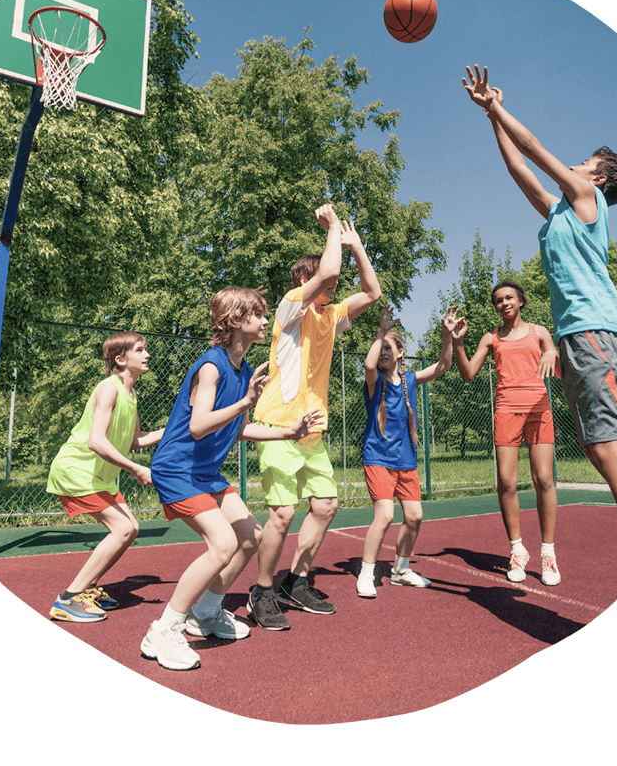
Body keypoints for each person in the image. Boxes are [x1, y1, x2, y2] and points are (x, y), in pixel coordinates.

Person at [461, 65, 617, 567]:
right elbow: (519, 169)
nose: (571, 166)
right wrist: (491, 118)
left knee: (610, 449)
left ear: (597, 178)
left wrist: (497, 106)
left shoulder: (587, 197)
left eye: (581, 162)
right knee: (602, 451)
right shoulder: (560, 211)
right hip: (581, 335)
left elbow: (532, 147)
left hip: (595, 331)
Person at [141, 287, 324, 670]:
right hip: (178, 469)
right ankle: (163, 630)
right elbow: (198, 426)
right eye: (257, 314)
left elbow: (239, 431)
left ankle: (205, 612)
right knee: (222, 543)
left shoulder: (242, 373)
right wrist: (245, 403)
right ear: (237, 320)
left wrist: (288, 433)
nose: (264, 320)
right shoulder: (211, 366)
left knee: (251, 536)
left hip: (205, 472)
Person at [248, 204, 382, 630]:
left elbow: (372, 293)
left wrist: (357, 246)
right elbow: (327, 274)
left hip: (311, 429)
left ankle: (296, 581)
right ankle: (262, 591)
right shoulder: (290, 309)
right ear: (306, 282)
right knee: (282, 515)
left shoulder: (330, 315)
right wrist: (331, 229)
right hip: (277, 428)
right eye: (326, 279)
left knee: (325, 506)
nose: (334, 283)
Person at [451, 281, 562, 585]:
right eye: (499, 300)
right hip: (506, 410)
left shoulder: (539, 332)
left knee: (544, 479)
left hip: (539, 409)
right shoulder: (490, 338)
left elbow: (553, 355)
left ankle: (548, 553)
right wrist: (458, 343)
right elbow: (467, 374)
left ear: (521, 301)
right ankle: (517, 550)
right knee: (506, 482)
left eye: (509, 298)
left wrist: (552, 353)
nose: (504, 303)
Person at [47, 331, 162, 622]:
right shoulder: (109, 388)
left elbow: (135, 440)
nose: (146, 354)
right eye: (140, 349)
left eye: (146, 349)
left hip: (99, 477)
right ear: (121, 359)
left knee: (130, 528)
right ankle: (69, 598)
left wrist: (177, 428)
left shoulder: (131, 393)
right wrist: (136, 469)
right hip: (78, 471)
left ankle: (89, 589)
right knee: (123, 529)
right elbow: (96, 441)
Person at [356, 304, 457, 599]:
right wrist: (381, 332)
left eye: (390, 347)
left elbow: (443, 365)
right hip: (378, 458)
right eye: (381, 348)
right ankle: (366, 572)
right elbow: (368, 366)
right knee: (384, 515)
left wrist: (447, 335)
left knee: (414, 516)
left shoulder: (411, 380)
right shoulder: (375, 384)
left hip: (405, 462)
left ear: (401, 352)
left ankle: (400, 570)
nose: (384, 352)